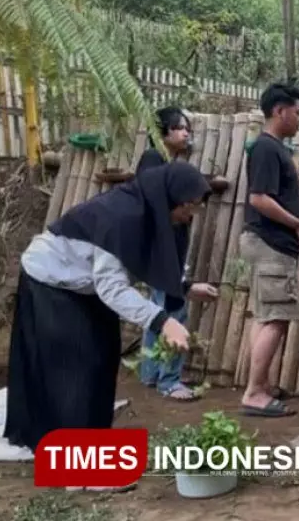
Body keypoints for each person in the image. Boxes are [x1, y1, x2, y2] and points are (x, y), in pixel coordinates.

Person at [5, 162, 216, 490]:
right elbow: (113, 288)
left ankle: (91, 460)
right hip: (52, 280)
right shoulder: (121, 219)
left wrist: (185, 287)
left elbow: (143, 261)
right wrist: (163, 322)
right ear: (170, 199)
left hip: (82, 281)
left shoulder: (145, 212)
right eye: (190, 207)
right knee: (78, 368)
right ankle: (78, 474)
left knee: (103, 358)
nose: (191, 216)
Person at [238, 82, 299, 417]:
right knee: (277, 318)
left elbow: (278, 196)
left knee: (265, 316)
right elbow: (259, 198)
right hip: (272, 244)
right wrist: (298, 225)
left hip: (265, 241)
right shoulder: (267, 149)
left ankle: (260, 384)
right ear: (279, 111)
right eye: (297, 112)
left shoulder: (273, 148)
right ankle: (254, 393)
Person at [136, 107, 199, 401]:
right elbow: (152, 203)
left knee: (158, 312)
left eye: (187, 128)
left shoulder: (164, 161)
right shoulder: (153, 160)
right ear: (164, 132)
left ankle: (151, 373)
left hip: (165, 251)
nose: (186, 133)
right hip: (163, 253)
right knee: (176, 312)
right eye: (179, 127)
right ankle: (169, 381)